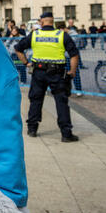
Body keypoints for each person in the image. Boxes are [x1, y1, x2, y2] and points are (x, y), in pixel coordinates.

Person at [14, 12, 80, 141]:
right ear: (52, 22)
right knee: (61, 102)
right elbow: (74, 55)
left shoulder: (35, 34)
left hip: (38, 73)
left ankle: (32, 129)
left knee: (35, 100)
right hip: (58, 73)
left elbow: (18, 48)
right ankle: (66, 133)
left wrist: (26, 63)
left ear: (42, 22)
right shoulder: (62, 35)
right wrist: (72, 71)